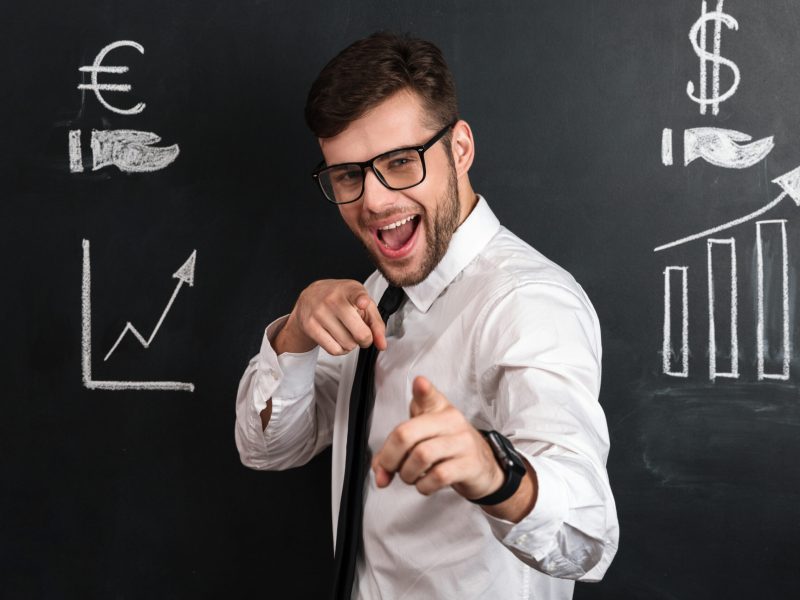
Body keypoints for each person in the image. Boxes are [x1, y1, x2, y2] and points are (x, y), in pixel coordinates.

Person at [235, 31, 618, 599]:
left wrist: (496, 472)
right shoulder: (378, 291)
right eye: (349, 175)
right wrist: (295, 335)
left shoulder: (528, 303)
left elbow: (588, 539)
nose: (374, 200)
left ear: (459, 149)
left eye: (399, 161)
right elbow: (268, 449)